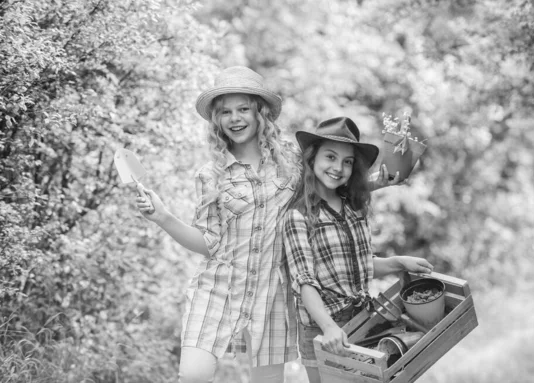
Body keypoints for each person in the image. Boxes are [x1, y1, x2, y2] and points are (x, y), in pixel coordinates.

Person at [135, 67, 404, 383]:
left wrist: (379, 181)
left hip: (273, 293)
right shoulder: (210, 174)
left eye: (243, 109)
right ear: (216, 120)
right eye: (225, 112)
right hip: (219, 286)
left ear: (259, 112)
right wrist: (163, 217)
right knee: (193, 375)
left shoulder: (289, 161)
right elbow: (208, 242)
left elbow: (329, 188)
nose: (235, 118)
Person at [281, 116, 434, 383]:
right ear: (312, 159)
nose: (338, 167)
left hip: (363, 319)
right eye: (330, 157)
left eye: (347, 161)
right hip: (323, 329)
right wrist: (329, 328)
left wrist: (398, 262)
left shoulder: (354, 208)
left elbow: (357, 267)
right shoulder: (299, 216)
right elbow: (305, 282)